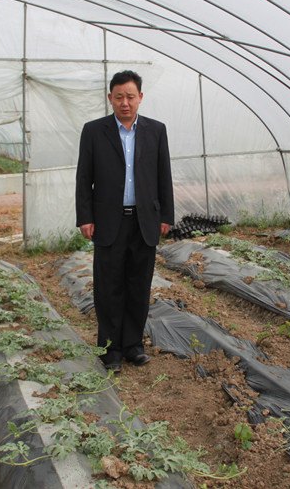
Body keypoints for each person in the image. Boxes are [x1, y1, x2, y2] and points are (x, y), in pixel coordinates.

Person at [75, 70, 174, 373]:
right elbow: (84, 177)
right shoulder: (94, 131)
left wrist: (166, 216)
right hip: (109, 221)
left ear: (140, 97)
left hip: (144, 221)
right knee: (108, 287)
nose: (125, 103)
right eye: (119, 97)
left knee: (138, 285)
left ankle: (133, 345)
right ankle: (110, 349)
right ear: (110, 98)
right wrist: (85, 217)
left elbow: (164, 176)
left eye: (130, 96)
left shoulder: (156, 131)